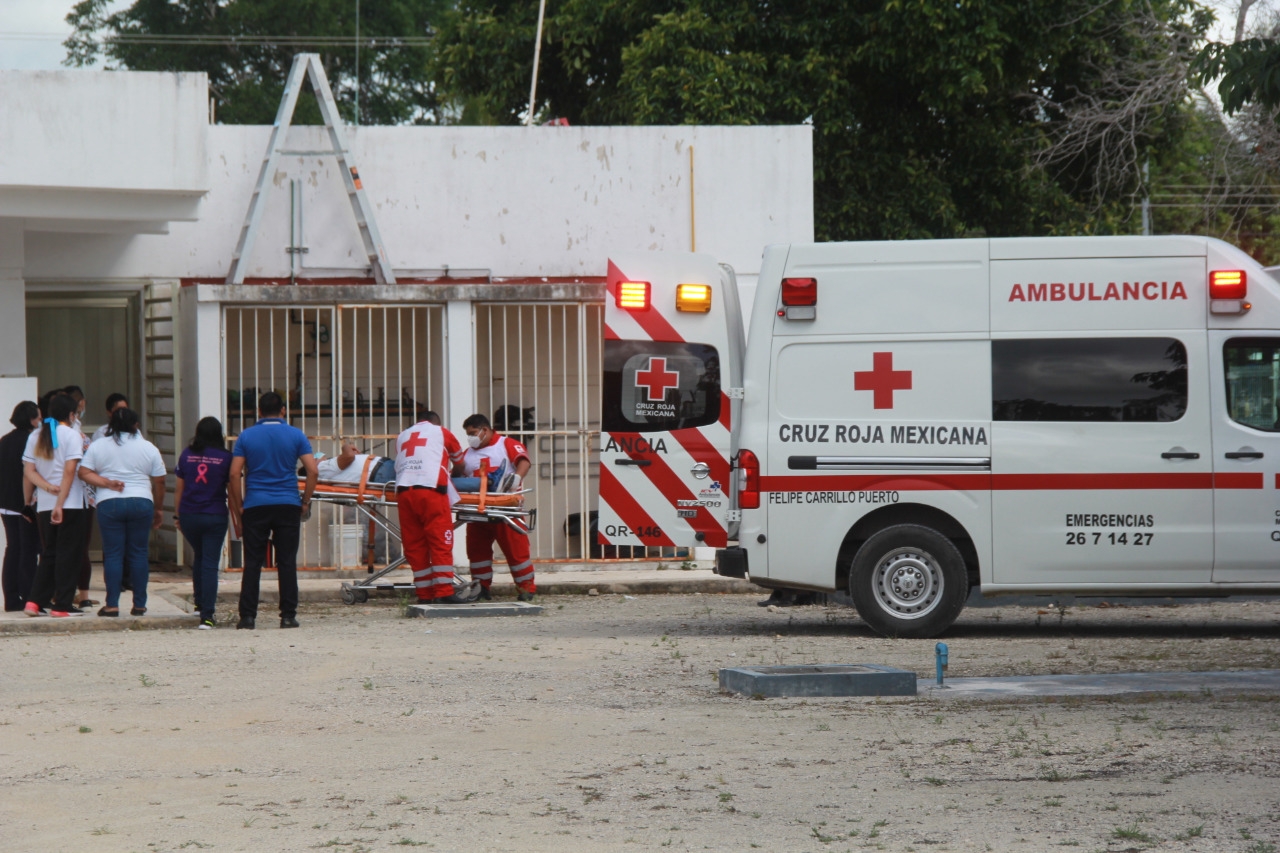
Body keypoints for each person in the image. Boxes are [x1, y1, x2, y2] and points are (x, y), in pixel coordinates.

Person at [228, 392, 317, 630]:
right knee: (287, 561)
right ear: (283, 410)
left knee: (253, 562)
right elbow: (313, 471)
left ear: (258, 412)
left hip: (256, 504)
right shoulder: (296, 435)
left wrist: (239, 506)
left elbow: (235, 473)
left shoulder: (246, 436)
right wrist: (305, 501)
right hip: (288, 504)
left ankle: (247, 617)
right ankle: (288, 615)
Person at [79, 407, 166, 617]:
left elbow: (83, 472)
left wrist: (106, 483)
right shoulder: (148, 447)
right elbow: (160, 480)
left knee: (113, 555)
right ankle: (139, 604)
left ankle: (112, 604)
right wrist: (159, 508)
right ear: (136, 425)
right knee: (138, 554)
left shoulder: (99, 446)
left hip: (109, 503)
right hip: (141, 501)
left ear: (112, 426)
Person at [393, 418, 478, 604]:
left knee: (415, 544)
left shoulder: (402, 436)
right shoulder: (441, 432)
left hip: (405, 493)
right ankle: (444, 591)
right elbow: (460, 463)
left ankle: (424, 594)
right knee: (440, 540)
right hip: (431, 491)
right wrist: (455, 476)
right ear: (436, 422)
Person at [22, 393, 91, 617]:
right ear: (72, 415)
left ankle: (34, 601)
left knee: (50, 553)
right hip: (69, 503)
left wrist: (47, 488)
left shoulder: (35, 435)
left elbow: (29, 471)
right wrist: (60, 502)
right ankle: (62, 604)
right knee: (69, 554)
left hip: (44, 504)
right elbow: (70, 471)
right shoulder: (72, 436)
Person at [458, 413, 536, 601]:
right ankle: (481, 589)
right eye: (468, 434)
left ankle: (526, 589)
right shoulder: (467, 454)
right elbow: (458, 475)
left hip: (505, 509)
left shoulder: (506, 444)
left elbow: (523, 461)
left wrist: (516, 477)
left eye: (473, 433)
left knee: (517, 552)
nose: (470, 437)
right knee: (477, 553)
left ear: (485, 430)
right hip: (478, 510)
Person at [175, 417, 236, 630]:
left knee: (199, 558)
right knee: (210, 562)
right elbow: (233, 488)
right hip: (214, 515)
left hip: (189, 515)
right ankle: (208, 616)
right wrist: (238, 514)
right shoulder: (226, 458)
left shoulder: (186, 455)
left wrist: (177, 516)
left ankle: (200, 604)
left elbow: (180, 489)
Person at [0, 401, 41, 611]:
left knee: (13, 549)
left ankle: (11, 598)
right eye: (38, 417)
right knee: (28, 550)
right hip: (24, 504)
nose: (40, 421)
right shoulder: (31, 441)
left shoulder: (4, 440)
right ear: (31, 419)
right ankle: (28, 597)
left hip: (5, 504)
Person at [64, 385, 98, 609]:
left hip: (56, 498)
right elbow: (86, 467)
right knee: (80, 548)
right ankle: (81, 595)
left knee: (60, 549)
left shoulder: (45, 435)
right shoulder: (78, 436)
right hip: (81, 498)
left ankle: (64, 595)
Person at [315, 440, 396, 485]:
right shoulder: (319, 468)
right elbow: (349, 456)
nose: (323, 458)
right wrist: (345, 446)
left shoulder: (325, 471)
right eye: (314, 458)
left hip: (380, 471)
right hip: (381, 471)